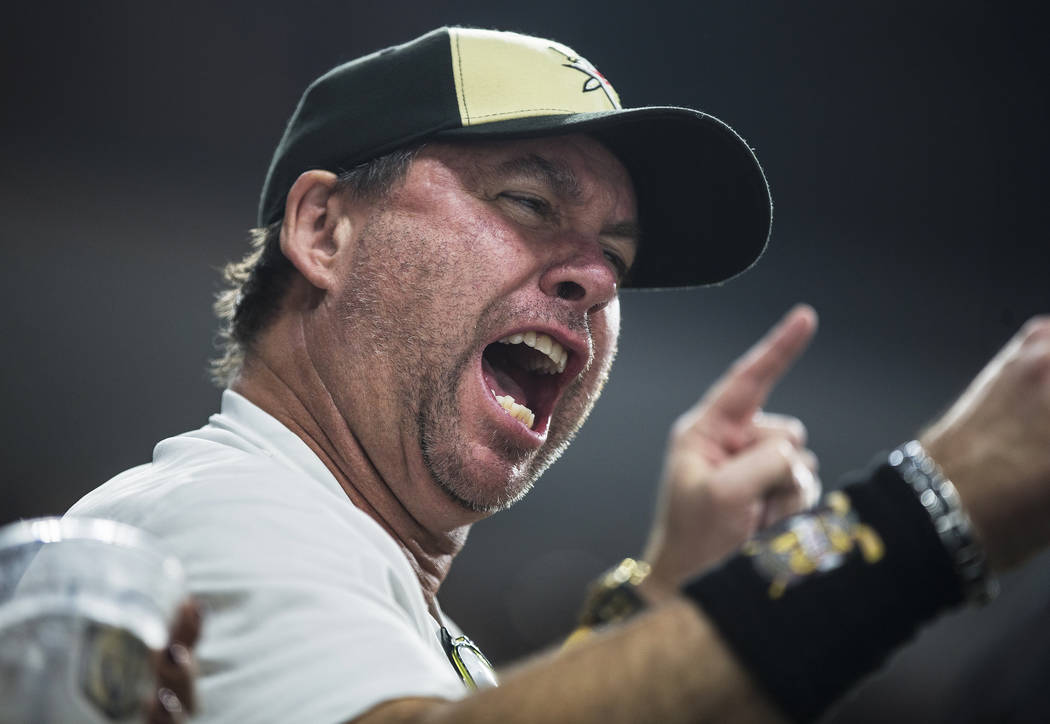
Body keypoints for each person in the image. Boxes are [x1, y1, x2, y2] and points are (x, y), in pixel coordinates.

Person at [67, 26, 1050, 723]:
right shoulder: (203, 518)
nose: (591, 276)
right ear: (325, 228)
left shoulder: (369, 585)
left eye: (616, 257)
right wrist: (923, 513)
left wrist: (665, 599)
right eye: (530, 201)